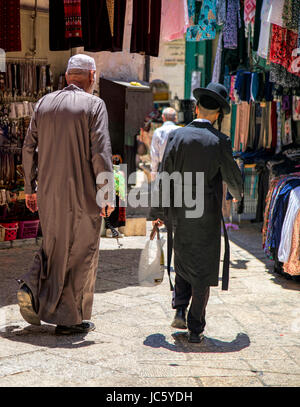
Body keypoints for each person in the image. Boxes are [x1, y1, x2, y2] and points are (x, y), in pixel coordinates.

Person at [17, 54, 114, 335]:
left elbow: (27, 148)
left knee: (54, 245)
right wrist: (106, 194)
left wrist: (29, 189)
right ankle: (70, 319)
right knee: (82, 251)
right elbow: (101, 153)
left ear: (68, 75)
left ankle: (31, 286)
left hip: (47, 193)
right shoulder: (94, 105)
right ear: (92, 77)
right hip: (81, 193)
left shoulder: (44, 103)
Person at [151, 83, 243, 343]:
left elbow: (164, 175)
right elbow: (233, 179)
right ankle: (195, 328)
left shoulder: (177, 136)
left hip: (179, 211)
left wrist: (159, 211)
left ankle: (180, 307)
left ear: (196, 107)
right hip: (206, 214)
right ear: (217, 114)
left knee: (182, 256)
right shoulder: (219, 141)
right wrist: (237, 195)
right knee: (202, 268)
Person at [150, 107, 179, 181]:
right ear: (175, 118)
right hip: (177, 168)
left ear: (163, 117)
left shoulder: (158, 131)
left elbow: (154, 153)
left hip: (162, 167)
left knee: (163, 191)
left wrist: (153, 171)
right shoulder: (181, 131)